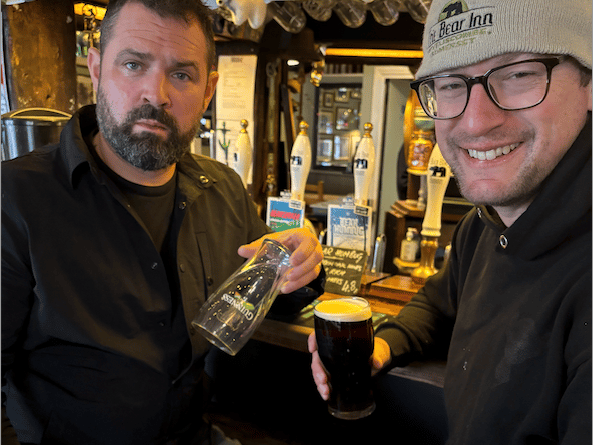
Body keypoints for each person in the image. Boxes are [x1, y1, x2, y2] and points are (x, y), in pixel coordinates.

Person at [1, 1, 324, 444]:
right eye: (133, 65)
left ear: (209, 90)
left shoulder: (223, 190)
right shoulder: (16, 198)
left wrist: (303, 260)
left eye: (181, 74)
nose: (156, 94)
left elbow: (275, 293)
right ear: (96, 69)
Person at [310, 0, 591, 443]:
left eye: (518, 74)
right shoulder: (484, 226)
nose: (476, 121)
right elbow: (439, 306)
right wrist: (384, 344)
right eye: (449, 84)